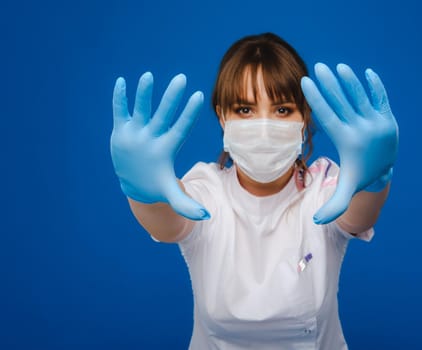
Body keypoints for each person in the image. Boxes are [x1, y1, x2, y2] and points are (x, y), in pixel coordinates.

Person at [110, 32, 399, 349]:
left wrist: (373, 179)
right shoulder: (206, 189)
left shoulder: (324, 187)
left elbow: (359, 215)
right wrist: (142, 192)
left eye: (283, 110)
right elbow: (165, 224)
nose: (264, 128)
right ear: (222, 117)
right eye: (245, 110)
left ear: (304, 118)